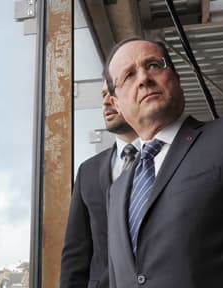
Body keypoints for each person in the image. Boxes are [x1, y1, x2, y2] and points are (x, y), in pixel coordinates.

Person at [104, 36, 223, 288]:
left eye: (154, 65)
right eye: (129, 75)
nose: (144, 78)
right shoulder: (117, 190)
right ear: (116, 104)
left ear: (176, 78)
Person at [60, 79, 138, 288]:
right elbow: (75, 253)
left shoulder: (172, 154)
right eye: (103, 95)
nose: (106, 102)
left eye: (113, 92)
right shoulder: (88, 171)